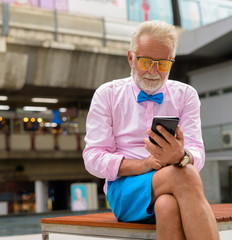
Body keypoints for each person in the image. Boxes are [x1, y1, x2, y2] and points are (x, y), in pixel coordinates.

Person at [83, 20, 219, 240]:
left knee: (167, 206)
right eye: (146, 62)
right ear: (131, 58)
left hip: (173, 186)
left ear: (172, 62)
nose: (154, 71)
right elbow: (92, 157)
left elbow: (197, 150)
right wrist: (143, 165)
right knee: (186, 174)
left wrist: (181, 156)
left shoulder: (186, 95)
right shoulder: (107, 95)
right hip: (126, 190)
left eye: (163, 64)